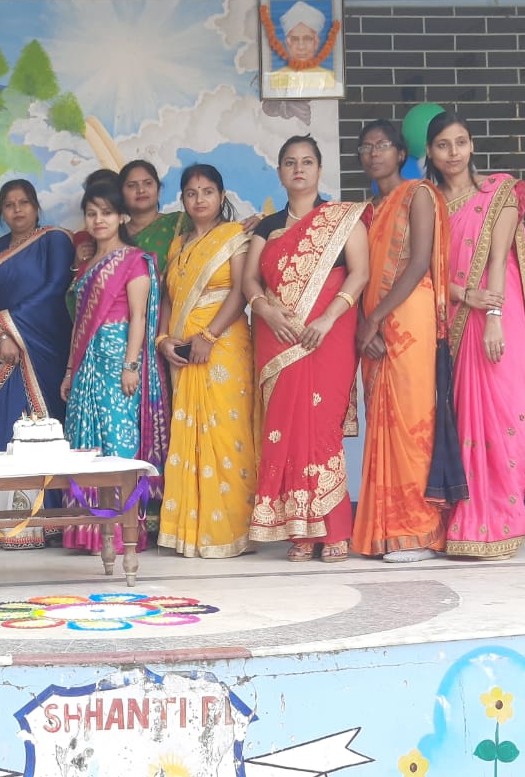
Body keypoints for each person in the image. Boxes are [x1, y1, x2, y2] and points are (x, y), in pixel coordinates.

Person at [424, 111, 525, 558]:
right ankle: (466, 521)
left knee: (503, 412)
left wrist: (492, 313)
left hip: (498, 314)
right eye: (443, 145)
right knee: (462, 418)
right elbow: (425, 270)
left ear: (472, 145)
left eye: (461, 142)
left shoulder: (500, 192)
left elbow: (497, 259)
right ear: (430, 152)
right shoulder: (427, 204)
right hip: (455, 315)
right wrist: (464, 294)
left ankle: (504, 521)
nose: (453, 153)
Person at [242, 135, 370, 563]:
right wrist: (266, 310)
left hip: (327, 337)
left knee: (321, 431)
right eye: (290, 162)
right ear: (280, 172)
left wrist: (328, 318)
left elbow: (359, 274)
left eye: (307, 161)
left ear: (319, 169)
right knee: (286, 431)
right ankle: (300, 530)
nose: (299, 169)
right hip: (277, 338)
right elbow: (250, 280)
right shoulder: (267, 227)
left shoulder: (342, 220)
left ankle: (333, 529)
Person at [351, 120, 453, 563]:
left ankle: (419, 531)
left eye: (382, 145)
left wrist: (373, 319)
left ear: (400, 153)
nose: (374, 153)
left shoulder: (418, 195)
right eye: (366, 147)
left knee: (414, 423)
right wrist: (364, 324)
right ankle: (388, 532)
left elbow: (418, 263)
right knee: (383, 425)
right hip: (373, 325)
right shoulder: (362, 213)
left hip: (411, 317)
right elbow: (356, 276)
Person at [60, 180, 168, 552]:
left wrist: (131, 365)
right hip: (88, 366)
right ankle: (89, 532)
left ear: (121, 216)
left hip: (118, 362)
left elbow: (139, 317)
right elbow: (79, 325)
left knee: (119, 443)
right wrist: (70, 371)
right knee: (86, 446)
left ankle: (122, 532)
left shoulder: (134, 261)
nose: (99, 220)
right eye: (92, 213)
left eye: (106, 212)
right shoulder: (87, 266)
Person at [155, 165, 256, 559]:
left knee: (225, 433)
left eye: (208, 191)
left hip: (223, 346)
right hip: (183, 351)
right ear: (182, 199)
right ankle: (192, 531)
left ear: (221, 196)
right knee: (190, 436)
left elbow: (240, 292)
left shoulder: (233, 236)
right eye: (192, 193)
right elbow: (168, 298)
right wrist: (163, 339)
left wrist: (209, 336)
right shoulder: (177, 245)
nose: (200, 199)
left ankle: (230, 529)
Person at [0, 179, 75, 449]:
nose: (17, 210)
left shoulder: (55, 240)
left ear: (36, 207)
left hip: (48, 346)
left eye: (24, 203)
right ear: (2, 213)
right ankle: (6, 478)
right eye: (9, 205)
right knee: (9, 423)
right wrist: (1, 334)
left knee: (52, 425)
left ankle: (52, 480)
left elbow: (56, 288)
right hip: (5, 349)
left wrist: (8, 324)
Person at [119, 160, 187, 275]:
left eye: (148, 183)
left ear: (158, 190)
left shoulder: (180, 222)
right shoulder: (114, 236)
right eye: (132, 186)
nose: (141, 190)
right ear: (121, 194)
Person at [265, 1, 339, 97]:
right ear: (288, 43)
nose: (301, 46)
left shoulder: (330, 79)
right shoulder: (274, 79)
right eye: (295, 39)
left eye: (307, 39)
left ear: (316, 43)